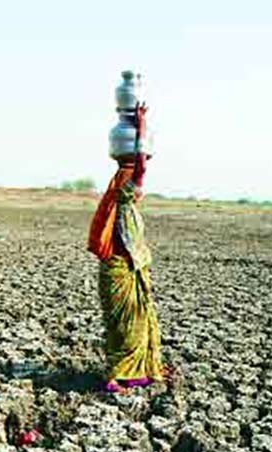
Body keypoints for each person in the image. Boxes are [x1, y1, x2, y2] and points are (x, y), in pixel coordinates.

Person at [87, 103, 164, 394]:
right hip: (120, 268)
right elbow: (141, 165)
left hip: (122, 269)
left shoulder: (120, 197)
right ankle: (116, 377)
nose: (142, 188)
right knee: (129, 325)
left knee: (133, 323)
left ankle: (137, 372)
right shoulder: (126, 188)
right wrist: (142, 124)